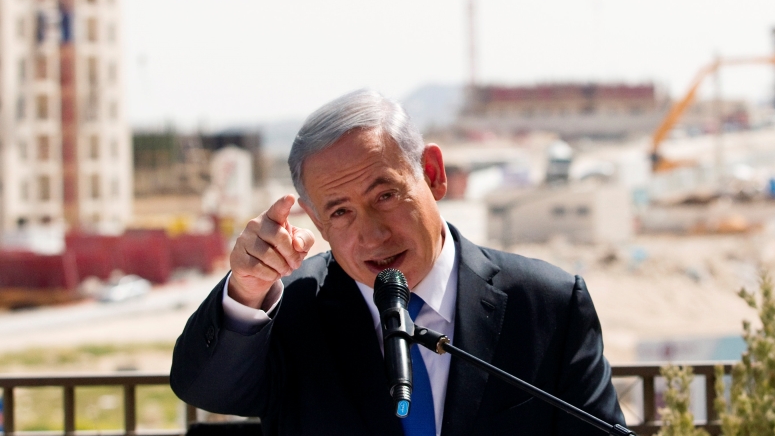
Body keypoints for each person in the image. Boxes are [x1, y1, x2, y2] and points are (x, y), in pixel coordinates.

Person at [170, 90, 625, 436]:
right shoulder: (290, 308)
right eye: (340, 212)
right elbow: (207, 390)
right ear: (317, 222)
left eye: (385, 195)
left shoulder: (548, 304)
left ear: (433, 174)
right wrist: (247, 289)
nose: (372, 235)